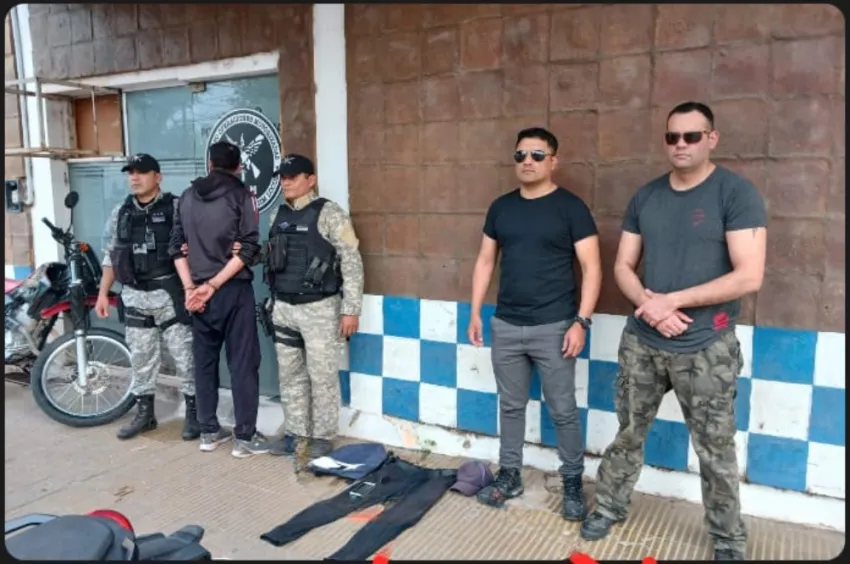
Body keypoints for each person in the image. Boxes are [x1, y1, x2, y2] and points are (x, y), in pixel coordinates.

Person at [579, 102, 767, 561]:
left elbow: (749, 276)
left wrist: (673, 301)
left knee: (715, 448)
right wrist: (651, 307)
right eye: (672, 137)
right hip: (643, 342)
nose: (680, 144)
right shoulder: (647, 197)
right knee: (628, 431)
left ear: (711, 139)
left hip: (707, 346)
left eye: (691, 136)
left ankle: (727, 538)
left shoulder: (735, 194)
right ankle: (609, 505)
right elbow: (623, 266)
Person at [467, 127, 602, 520]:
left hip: (555, 326)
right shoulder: (501, 208)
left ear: (553, 161)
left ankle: (573, 482)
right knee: (510, 406)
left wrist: (581, 322)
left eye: (537, 155)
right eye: (521, 155)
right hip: (507, 325)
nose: (528, 161)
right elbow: (485, 261)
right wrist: (476, 312)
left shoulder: (571, 208)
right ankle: (509, 475)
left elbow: (592, 268)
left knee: (562, 409)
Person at [261, 154, 364, 466]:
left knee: (322, 376)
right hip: (284, 307)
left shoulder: (330, 213)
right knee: (290, 375)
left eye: (293, 177)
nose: (286, 182)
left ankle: (322, 436)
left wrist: (351, 310)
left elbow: (351, 261)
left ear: (311, 180)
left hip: (320, 309)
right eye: (283, 177)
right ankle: (296, 432)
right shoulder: (277, 214)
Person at [168, 141, 269, 459]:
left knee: (204, 363)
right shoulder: (243, 195)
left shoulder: (187, 196)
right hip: (231, 289)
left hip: (198, 293)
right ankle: (244, 437)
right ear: (238, 167)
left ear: (210, 164)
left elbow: (175, 247)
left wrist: (191, 289)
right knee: (243, 363)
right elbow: (249, 248)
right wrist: (213, 285)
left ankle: (208, 432)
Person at [95, 153, 199, 441]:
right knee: (141, 359)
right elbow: (111, 255)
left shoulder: (177, 208)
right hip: (135, 296)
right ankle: (145, 415)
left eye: (141, 172)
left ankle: (195, 413)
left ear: (158, 176)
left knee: (186, 357)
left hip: (171, 295)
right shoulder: (121, 212)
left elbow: (196, 249)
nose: (134, 178)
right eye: (130, 173)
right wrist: (103, 293)